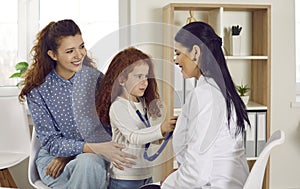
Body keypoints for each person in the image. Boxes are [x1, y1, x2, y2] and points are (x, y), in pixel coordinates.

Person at [19, 19, 136, 189]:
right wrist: (74, 152)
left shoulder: (96, 80)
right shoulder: (38, 90)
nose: (79, 55)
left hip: (94, 156)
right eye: (69, 51)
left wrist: (73, 152)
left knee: (89, 164)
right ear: (53, 55)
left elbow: (109, 127)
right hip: (54, 163)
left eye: (81, 46)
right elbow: (51, 142)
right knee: (90, 169)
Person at [161, 21, 250, 188]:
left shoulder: (204, 95)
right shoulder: (220, 89)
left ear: (195, 52)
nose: (176, 60)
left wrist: (166, 184)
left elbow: (197, 174)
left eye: (178, 53)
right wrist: (186, 122)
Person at [96, 47, 177, 189]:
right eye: (139, 77)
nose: (145, 82)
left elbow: (147, 136)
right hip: (125, 178)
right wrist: (161, 128)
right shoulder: (118, 106)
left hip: (145, 175)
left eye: (146, 76)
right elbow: (134, 136)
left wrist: (165, 133)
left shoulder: (143, 103)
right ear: (121, 79)